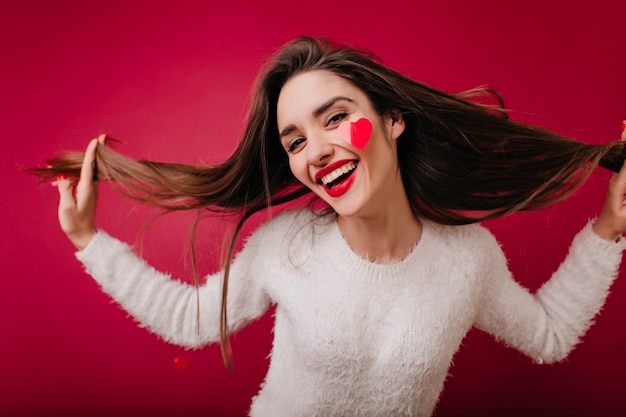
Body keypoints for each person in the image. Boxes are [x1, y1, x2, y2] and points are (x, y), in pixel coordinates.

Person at [34, 37, 626, 416]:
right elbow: (191, 320)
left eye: (335, 118)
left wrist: (608, 226)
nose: (315, 151)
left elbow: (549, 337)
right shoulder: (286, 246)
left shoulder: (468, 257)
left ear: (392, 121)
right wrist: (89, 240)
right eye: (295, 140)